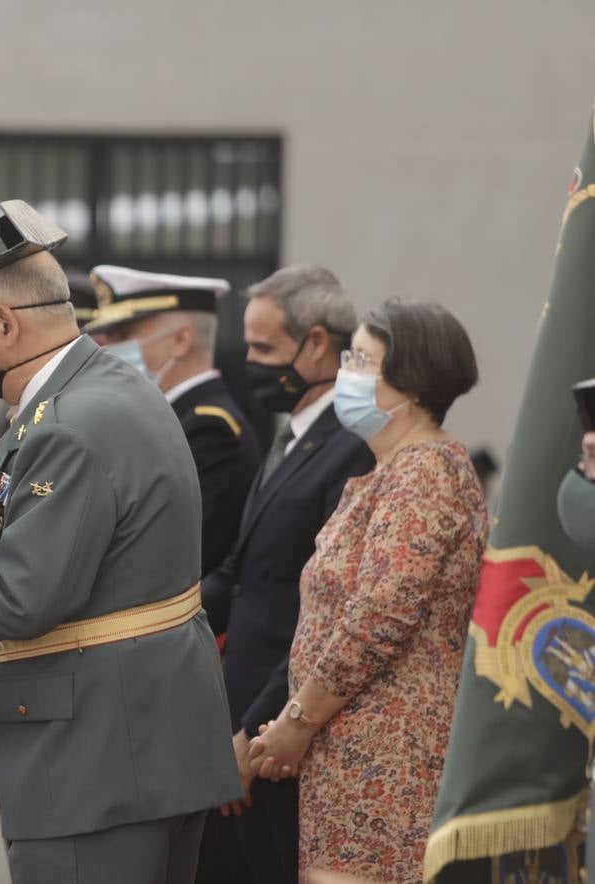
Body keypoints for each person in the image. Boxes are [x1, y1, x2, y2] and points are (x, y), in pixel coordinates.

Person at [0, 200, 240, 884]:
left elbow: (20, 598)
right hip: (138, 746)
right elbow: (74, 543)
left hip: (98, 760)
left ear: (5, 324)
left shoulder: (69, 424)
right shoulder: (107, 389)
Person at [248, 298, 487, 883]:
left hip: (388, 753)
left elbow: (380, 615)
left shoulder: (425, 472)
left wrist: (295, 721)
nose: (346, 371)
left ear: (410, 382)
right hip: (350, 749)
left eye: (361, 359)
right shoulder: (390, 470)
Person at [196, 265, 373, 884]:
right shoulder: (293, 435)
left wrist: (256, 730)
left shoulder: (352, 445)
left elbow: (325, 613)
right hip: (239, 721)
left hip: (282, 737)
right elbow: (240, 575)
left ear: (318, 344)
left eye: (264, 348)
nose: (250, 361)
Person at [86, 266, 262, 576]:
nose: (109, 349)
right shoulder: (164, 418)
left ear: (181, 340)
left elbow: (175, 553)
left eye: (125, 335)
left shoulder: (211, 429)